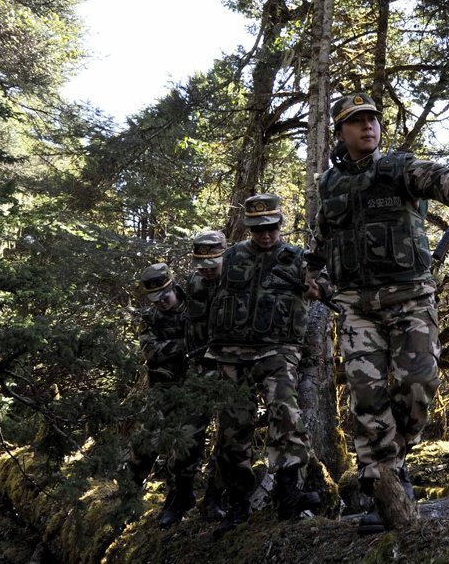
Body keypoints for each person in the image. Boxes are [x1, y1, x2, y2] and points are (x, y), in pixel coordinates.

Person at [308, 92, 449, 533]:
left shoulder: (397, 167)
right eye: (356, 121)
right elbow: (323, 242)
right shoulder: (328, 185)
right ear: (341, 132)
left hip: (409, 299)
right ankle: (386, 486)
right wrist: (316, 277)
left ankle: (395, 459)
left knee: (419, 382)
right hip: (357, 307)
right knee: (368, 400)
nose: (368, 126)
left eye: (372, 119)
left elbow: (434, 176)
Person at [207, 194, 322, 535]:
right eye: (258, 229)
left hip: (277, 350)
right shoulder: (229, 257)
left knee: (285, 410)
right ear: (248, 228)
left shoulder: (298, 259)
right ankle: (237, 502)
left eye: (271, 228)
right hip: (232, 354)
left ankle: (288, 491)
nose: (265, 235)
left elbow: (327, 287)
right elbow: (203, 292)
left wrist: (317, 288)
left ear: (280, 225)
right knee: (231, 427)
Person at [133, 263, 207, 529]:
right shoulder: (150, 317)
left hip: (194, 388)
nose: (162, 302)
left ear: (172, 287)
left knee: (186, 442)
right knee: (145, 441)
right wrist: (185, 346)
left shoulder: (196, 306)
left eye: (165, 296)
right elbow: (150, 349)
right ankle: (130, 495)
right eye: (155, 299)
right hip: (161, 388)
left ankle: (179, 496)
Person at [183, 230, 228, 522]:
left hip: (231, 366)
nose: (207, 268)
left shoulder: (239, 277)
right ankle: (180, 496)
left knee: (230, 438)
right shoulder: (193, 282)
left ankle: (215, 498)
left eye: (213, 261)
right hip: (200, 368)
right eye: (202, 262)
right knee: (188, 433)